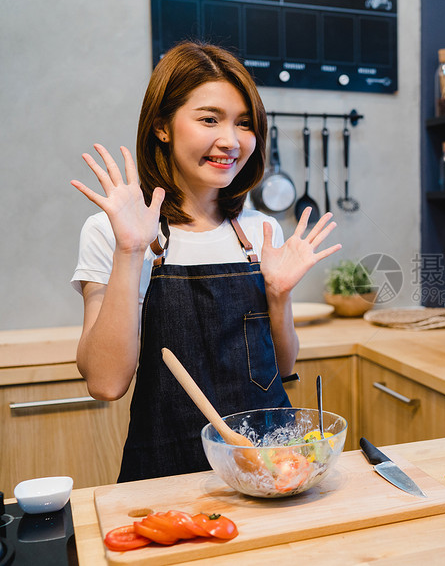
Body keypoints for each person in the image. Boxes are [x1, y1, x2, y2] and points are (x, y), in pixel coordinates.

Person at [70, 41, 341, 482]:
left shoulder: (258, 232)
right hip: (169, 473)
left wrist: (279, 295)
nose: (230, 141)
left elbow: (284, 369)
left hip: (274, 463)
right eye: (209, 119)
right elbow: (105, 382)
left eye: (244, 124)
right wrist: (130, 252)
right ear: (161, 126)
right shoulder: (114, 233)